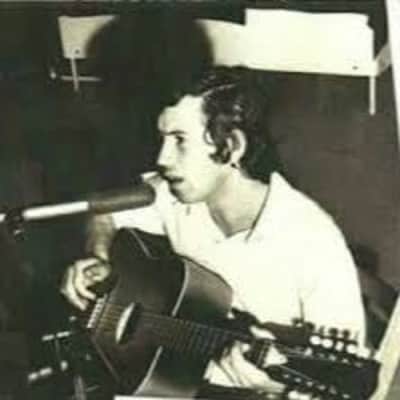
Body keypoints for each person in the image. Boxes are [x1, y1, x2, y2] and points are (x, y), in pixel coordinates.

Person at [61, 66, 366, 398]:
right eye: (163, 139)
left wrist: (277, 386)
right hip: (172, 377)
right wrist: (98, 255)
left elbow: (347, 382)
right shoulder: (174, 193)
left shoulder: (312, 240)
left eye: (180, 141)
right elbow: (105, 211)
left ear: (232, 146)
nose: (162, 158)